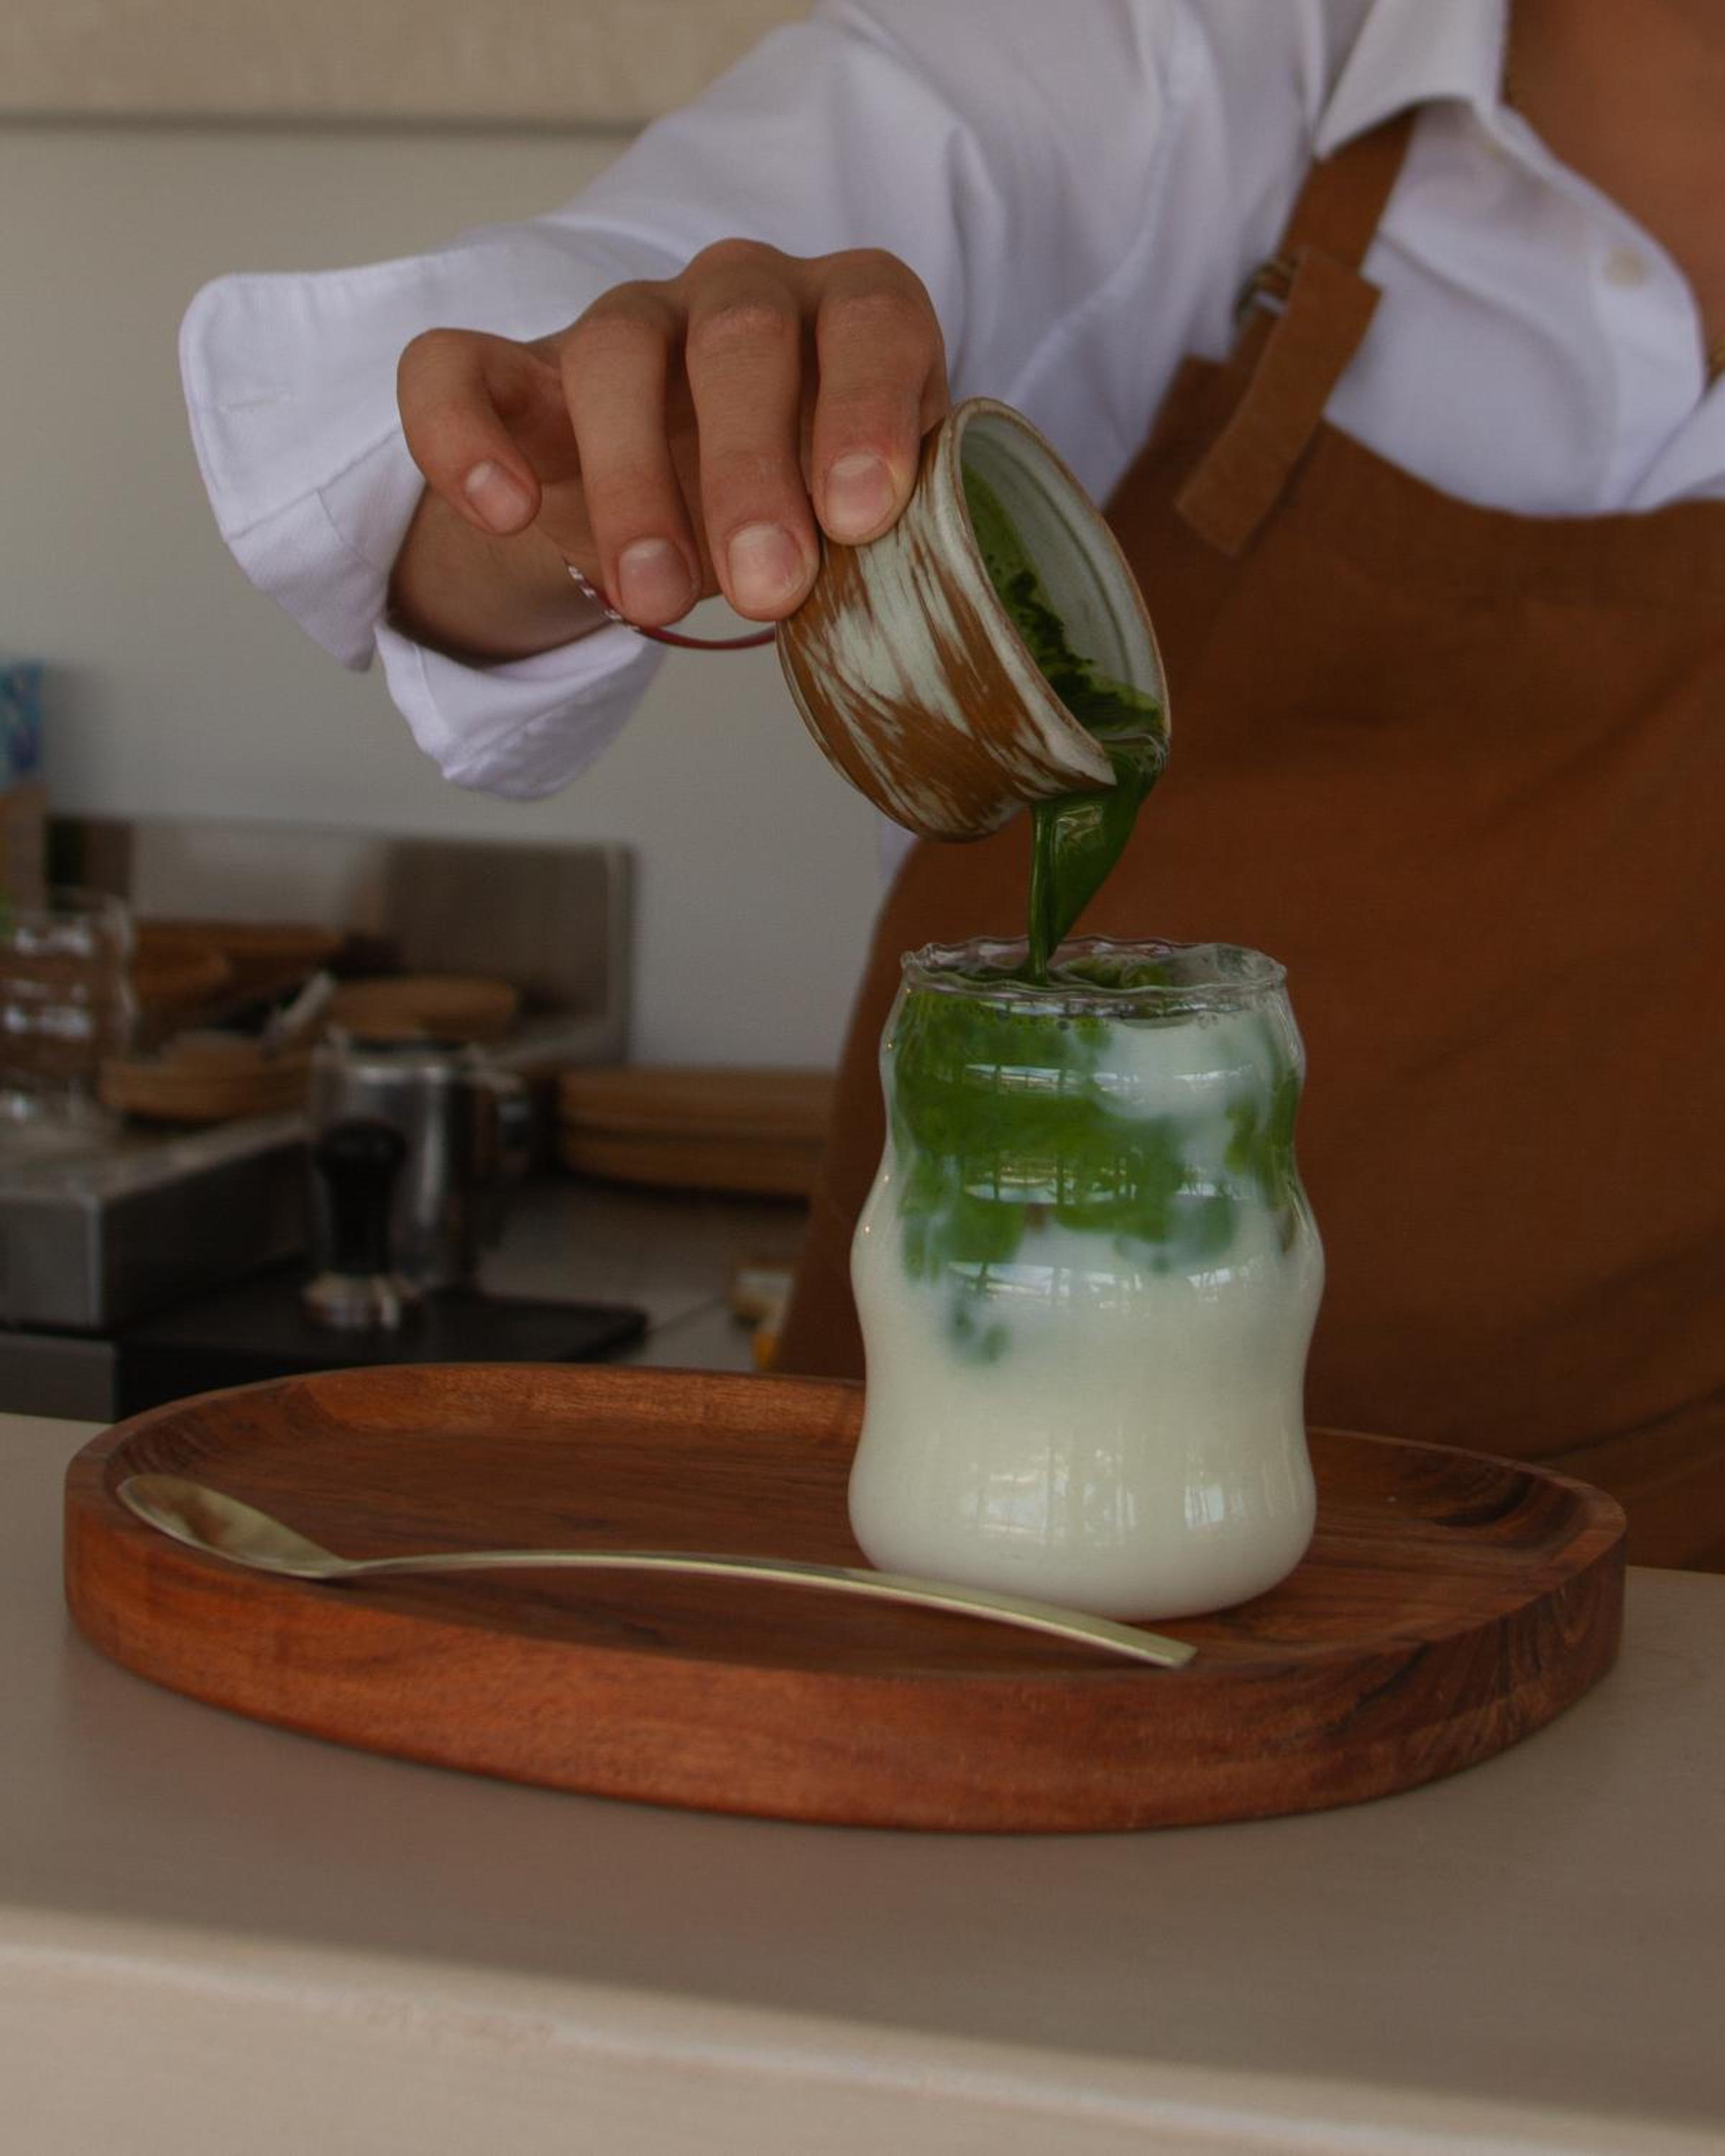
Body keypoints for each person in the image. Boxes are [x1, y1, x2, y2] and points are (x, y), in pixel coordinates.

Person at [181, 0, 1725, 1567]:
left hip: (1682, 1568)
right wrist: (594, 460)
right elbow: (496, 402)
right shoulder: (1158, 62)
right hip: (963, 1557)